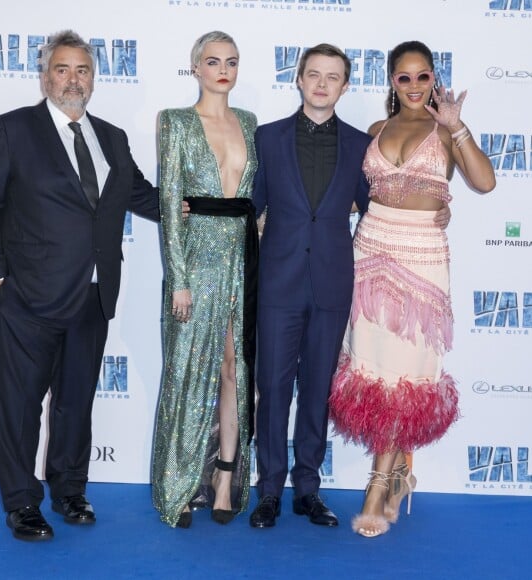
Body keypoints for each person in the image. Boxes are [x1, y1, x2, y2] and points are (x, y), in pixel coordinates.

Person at [0, 30, 160, 541]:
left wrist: (204, 207)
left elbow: (142, 195)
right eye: (63, 69)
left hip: (94, 295)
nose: (73, 80)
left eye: (83, 71)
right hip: (28, 295)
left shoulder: (112, 136)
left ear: (94, 78)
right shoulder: (12, 131)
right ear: (45, 74)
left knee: (77, 401)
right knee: (20, 403)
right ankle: (22, 502)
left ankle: (70, 491)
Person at [329, 40, 495, 538]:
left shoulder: (445, 132)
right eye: (405, 78)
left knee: (406, 370)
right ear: (392, 82)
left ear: (435, 80)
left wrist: (457, 126)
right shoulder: (376, 131)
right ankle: (402, 470)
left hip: (421, 258)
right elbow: (359, 196)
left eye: (424, 76)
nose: (416, 86)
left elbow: (484, 183)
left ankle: (379, 486)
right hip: (370, 249)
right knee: (374, 367)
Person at [247, 43, 371, 529]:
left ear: (344, 85)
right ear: (298, 79)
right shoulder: (267, 138)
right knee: (273, 389)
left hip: (332, 283)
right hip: (278, 282)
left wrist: (427, 213)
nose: (322, 84)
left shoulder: (361, 145)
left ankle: (308, 490)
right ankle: (270, 491)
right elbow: (249, 207)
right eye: (313, 74)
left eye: (333, 77)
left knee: (317, 388)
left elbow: (375, 209)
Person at [151, 31, 258, 529]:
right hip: (195, 262)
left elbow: (257, 198)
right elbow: (172, 205)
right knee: (187, 374)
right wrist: (179, 278)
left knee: (236, 375)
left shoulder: (252, 124)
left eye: (231, 62)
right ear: (195, 67)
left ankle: (224, 481)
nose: (223, 69)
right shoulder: (174, 122)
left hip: (242, 262)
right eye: (213, 61)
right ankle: (177, 483)